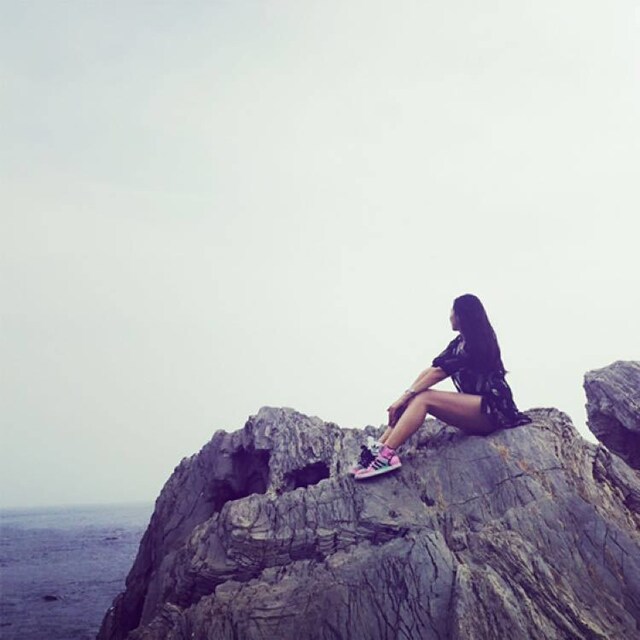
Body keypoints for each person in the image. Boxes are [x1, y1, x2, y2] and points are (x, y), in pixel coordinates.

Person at [352, 293, 532, 480]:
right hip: (477, 411)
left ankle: (387, 456)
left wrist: (406, 397)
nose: (450, 316)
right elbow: (431, 370)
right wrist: (405, 397)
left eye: (452, 312)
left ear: (462, 315)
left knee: (424, 397)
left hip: (494, 412)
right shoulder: (458, 343)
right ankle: (378, 450)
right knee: (416, 396)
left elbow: (440, 373)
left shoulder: (477, 344)